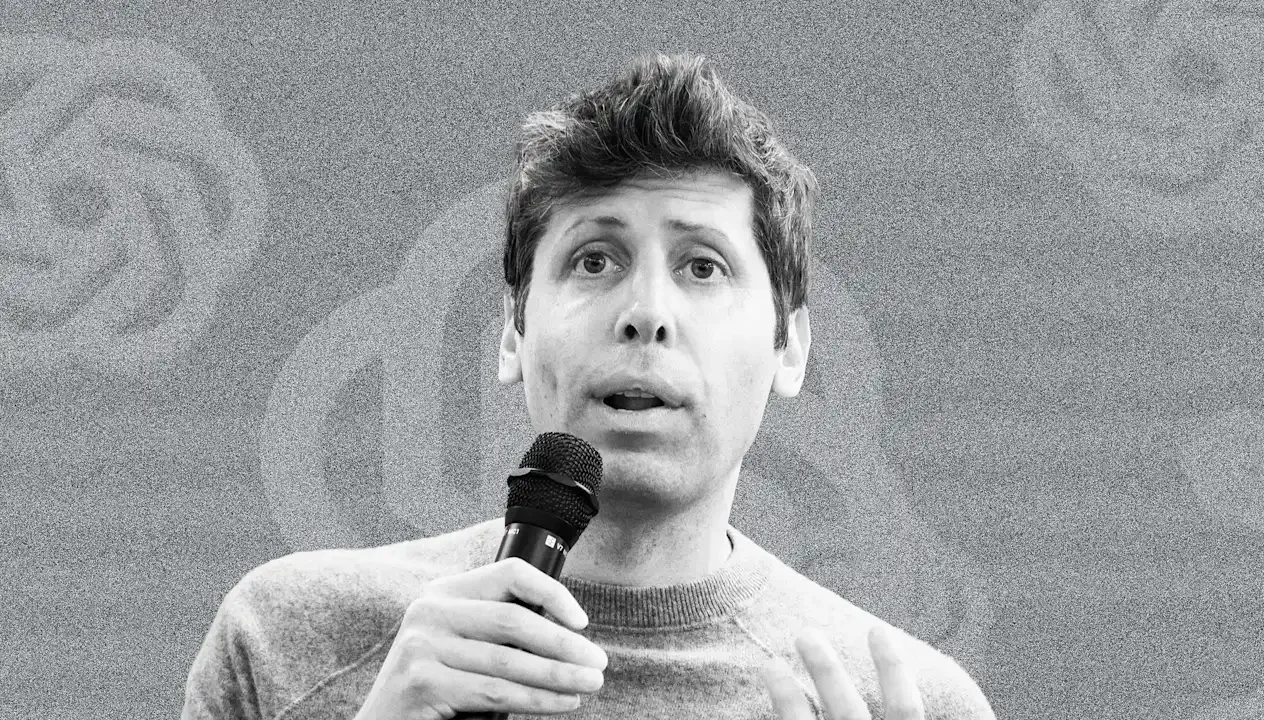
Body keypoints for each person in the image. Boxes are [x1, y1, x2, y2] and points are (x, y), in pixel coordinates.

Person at [182, 52, 996, 720]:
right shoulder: (287, 641)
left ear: (791, 348)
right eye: (595, 260)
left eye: (703, 267)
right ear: (514, 330)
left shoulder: (905, 702)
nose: (647, 314)